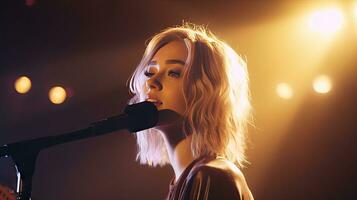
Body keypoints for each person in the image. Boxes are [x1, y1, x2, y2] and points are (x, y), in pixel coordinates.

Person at [128, 23, 254, 200]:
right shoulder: (188, 178)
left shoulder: (209, 176)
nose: (151, 82)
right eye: (149, 72)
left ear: (207, 91)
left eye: (174, 73)